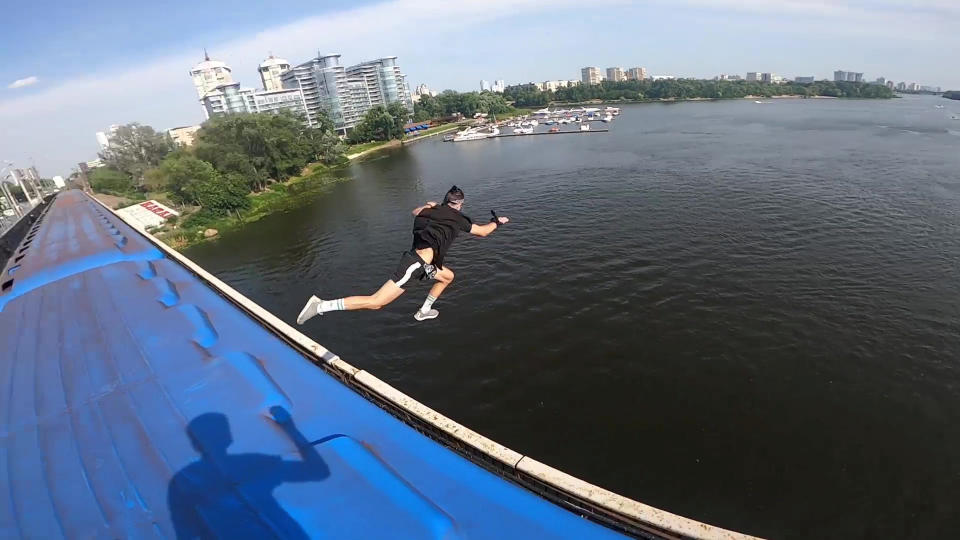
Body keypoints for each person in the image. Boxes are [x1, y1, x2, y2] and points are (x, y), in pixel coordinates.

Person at [296, 185, 508, 323]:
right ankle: (321, 305)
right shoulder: (458, 218)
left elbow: (416, 212)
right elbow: (482, 232)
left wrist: (431, 205)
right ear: (460, 205)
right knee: (376, 302)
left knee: (447, 276)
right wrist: (497, 222)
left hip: (425, 264)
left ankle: (424, 311)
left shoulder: (427, 211)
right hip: (416, 265)